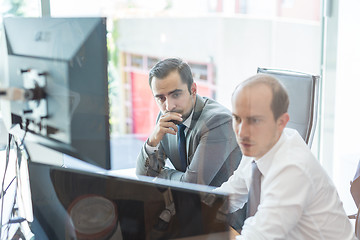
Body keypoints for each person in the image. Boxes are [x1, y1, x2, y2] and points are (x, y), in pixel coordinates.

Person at [215, 74, 356, 239]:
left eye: (254, 121)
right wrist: (187, 210)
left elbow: (257, 236)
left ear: (281, 122)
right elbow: (229, 195)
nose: (242, 132)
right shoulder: (259, 145)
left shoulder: (293, 168)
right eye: (237, 119)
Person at [136, 57, 242, 187]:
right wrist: (152, 141)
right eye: (161, 98)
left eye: (175, 95)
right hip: (183, 203)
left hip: (218, 205)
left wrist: (160, 175)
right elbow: (142, 175)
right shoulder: (165, 118)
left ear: (193, 90)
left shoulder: (218, 121)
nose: (169, 106)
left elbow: (192, 185)